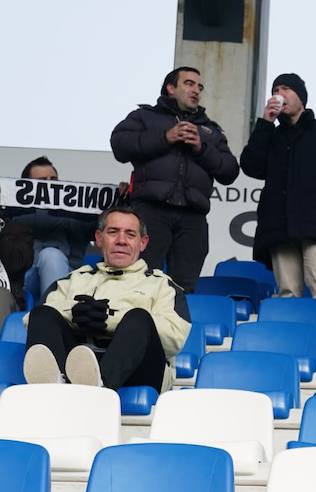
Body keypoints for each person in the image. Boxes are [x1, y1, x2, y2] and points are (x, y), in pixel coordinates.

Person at [21, 206, 190, 390]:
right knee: (43, 314)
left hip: (137, 371)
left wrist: (109, 318)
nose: (121, 241)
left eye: (130, 234)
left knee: (139, 318)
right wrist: (75, 314)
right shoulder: (74, 279)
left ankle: (98, 387)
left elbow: (175, 337)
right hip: (76, 361)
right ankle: (56, 385)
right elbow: (31, 321)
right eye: (113, 232)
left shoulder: (162, 285)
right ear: (99, 238)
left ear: (143, 242)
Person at [109, 66, 240, 292]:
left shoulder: (210, 130)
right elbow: (120, 146)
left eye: (199, 87)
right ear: (171, 88)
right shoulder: (144, 116)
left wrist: (201, 147)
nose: (196, 90)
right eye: (189, 83)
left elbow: (230, 171)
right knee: (142, 281)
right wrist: (165, 137)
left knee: (185, 287)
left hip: (193, 218)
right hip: (150, 211)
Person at [239, 73, 316, 304]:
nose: (279, 94)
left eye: (286, 88)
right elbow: (251, 166)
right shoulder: (270, 134)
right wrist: (265, 123)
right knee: (287, 290)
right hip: (278, 224)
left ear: (301, 98)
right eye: (275, 89)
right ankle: (290, 339)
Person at [2, 157, 99, 306]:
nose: (50, 185)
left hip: (70, 279)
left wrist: (121, 198)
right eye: (42, 181)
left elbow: (102, 229)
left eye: (53, 179)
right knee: (51, 255)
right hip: (26, 282)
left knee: (52, 256)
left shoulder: (75, 213)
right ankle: (53, 317)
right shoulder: (14, 214)